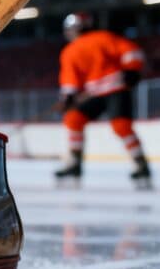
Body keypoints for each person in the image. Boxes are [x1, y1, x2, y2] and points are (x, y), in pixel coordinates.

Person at [55, 12, 151, 188]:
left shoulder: (95, 40)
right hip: (97, 93)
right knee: (75, 118)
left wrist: (68, 96)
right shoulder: (76, 48)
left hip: (116, 89)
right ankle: (75, 164)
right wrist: (132, 69)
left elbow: (69, 80)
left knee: (119, 126)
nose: (68, 33)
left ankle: (140, 164)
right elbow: (131, 52)